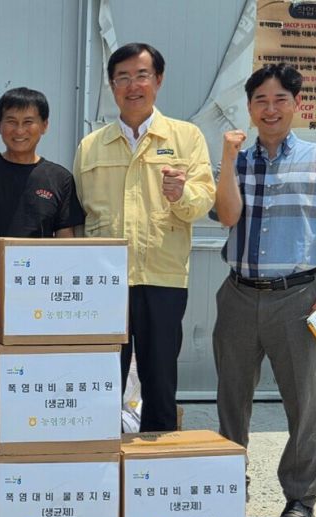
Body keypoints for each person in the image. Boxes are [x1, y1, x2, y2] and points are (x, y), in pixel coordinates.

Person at [73, 42, 215, 432]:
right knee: (102, 378)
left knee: (159, 380)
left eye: (141, 75)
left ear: (158, 80)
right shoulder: (91, 146)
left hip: (162, 277)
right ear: (111, 86)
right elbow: (83, 211)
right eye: (122, 78)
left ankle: (157, 468)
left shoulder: (186, 138)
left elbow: (204, 200)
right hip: (105, 281)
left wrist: (180, 194)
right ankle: (102, 460)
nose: (132, 85)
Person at [213, 63, 316, 517]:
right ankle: (224, 485)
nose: (271, 108)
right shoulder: (234, 158)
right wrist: (223, 161)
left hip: (299, 296)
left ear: (297, 105)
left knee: (302, 404)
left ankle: (300, 499)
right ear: (250, 107)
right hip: (238, 294)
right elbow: (223, 217)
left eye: (281, 99)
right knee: (230, 398)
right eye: (261, 100)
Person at [0, 87, 85, 270]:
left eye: (28, 122)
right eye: (11, 121)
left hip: (39, 283)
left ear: (44, 125)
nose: (19, 131)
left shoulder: (60, 178)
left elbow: (65, 239)